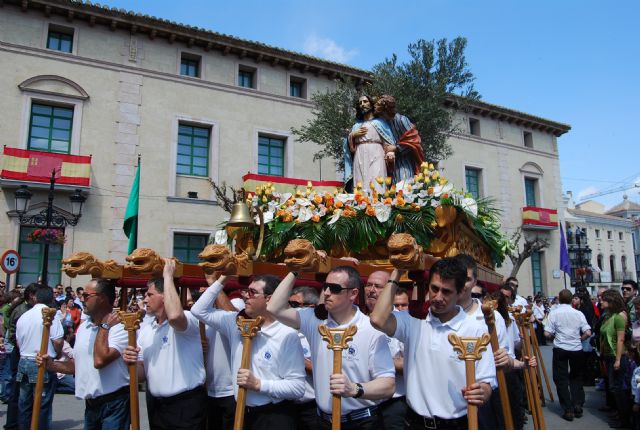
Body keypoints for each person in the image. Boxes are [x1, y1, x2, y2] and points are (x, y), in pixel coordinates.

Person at [370, 258, 495, 430]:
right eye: (434, 289)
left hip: (456, 424)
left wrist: (481, 391)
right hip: (414, 423)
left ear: (460, 292)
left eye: (446, 291)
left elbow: (486, 382)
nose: (438, 297)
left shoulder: (475, 328)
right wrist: (397, 272)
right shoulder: (413, 322)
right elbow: (377, 319)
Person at [268, 266, 395, 430]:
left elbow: (388, 384)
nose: (327, 292)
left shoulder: (371, 329)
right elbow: (274, 308)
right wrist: (295, 271)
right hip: (322, 421)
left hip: (361, 423)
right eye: (325, 287)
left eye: (335, 289)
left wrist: (354, 389)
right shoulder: (313, 320)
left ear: (353, 294)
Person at [191, 272, 305, 430]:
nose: (246, 296)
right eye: (246, 291)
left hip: (274, 418)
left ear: (269, 298)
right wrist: (223, 278)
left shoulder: (286, 335)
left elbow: (297, 387)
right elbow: (198, 310)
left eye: (253, 292)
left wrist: (259, 384)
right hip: (242, 414)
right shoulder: (234, 322)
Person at [123, 259, 207, 430]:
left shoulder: (187, 319)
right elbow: (140, 375)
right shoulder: (147, 330)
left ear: (165, 296)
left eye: (149, 294)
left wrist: (168, 276)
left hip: (185, 406)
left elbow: (174, 316)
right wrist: (130, 362)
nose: (144, 299)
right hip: (157, 406)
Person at [37, 278, 131, 428]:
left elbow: (100, 361)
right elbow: (77, 365)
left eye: (87, 295)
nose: (81, 299)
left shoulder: (120, 327)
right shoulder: (84, 327)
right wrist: (52, 365)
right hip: (91, 405)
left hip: (114, 403)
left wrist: (104, 327)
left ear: (102, 298)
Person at [16, 284, 64, 430]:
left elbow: (18, 342)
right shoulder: (50, 315)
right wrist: (57, 353)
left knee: (24, 405)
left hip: (24, 360)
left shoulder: (24, 316)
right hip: (41, 361)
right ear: (51, 299)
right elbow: (58, 340)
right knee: (42, 406)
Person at [362, 270, 406, 430]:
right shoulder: (357, 320)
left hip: (392, 406)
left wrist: (380, 363)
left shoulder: (403, 322)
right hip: (362, 405)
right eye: (368, 285)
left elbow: (412, 364)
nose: (371, 290)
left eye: (378, 286)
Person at [544, 289, 592, 421]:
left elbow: (547, 333)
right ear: (571, 300)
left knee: (561, 378)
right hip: (576, 348)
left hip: (561, 347)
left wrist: (555, 337)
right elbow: (588, 332)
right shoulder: (578, 313)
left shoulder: (554, 314)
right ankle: (577, 403)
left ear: (559, 299)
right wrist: (579, 339)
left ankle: (568, 408)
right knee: (576, 376)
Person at [373, 95, 425, 184]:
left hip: (404, 162)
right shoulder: (383, 123)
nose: (381, 116)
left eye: (382, 113)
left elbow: (414, 141)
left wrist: (396, 148)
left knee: (403, 184)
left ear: (387, 111)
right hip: (389, 163)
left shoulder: (401, 120)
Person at [348, 95, 395, 194]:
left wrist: (390, 153)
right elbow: (349, 148)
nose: (362, 105)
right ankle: (360, 206)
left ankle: (378, 205)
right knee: (360, 181)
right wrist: (352, 135)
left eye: (365, 101)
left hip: (376, 154)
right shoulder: (356, 126)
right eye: (360, 103)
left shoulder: (380, 123)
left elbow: (389, 142)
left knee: (376, 179)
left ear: (371, 104)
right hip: (359, 155)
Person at [289, 286, 320, 430]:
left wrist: (299, 360)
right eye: (288, 304)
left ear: (310, 307)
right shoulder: (286, 331)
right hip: (287, 407)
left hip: (312, 407)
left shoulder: (319, 335)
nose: (289, 308)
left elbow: (325, 372)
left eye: (294, 304)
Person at [600, 289, 631, 428]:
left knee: (617, 388)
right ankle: (620, 414)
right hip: (608, 355)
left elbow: (620, 339)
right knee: (614, 387)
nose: (601, 301)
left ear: (611, 302)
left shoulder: (619, 317)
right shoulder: (608, 316)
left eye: (603, 299)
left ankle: (625, 419)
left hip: (616, 355)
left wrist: (618, 359)